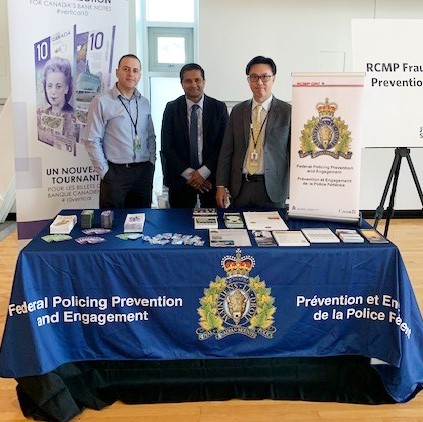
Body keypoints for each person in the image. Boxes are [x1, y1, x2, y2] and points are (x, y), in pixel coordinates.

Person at [215, 56, 291, 209]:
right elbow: (226, 151)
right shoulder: (238, 111)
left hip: (273, 189)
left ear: (273, 79)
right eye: (254, 77)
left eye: (265, 77)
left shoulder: (287, 112)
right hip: (241, 187)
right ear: (248, 80)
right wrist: (221, 185)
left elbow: (293, 153)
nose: (260, 82)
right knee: (239, 231)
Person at [84, 54, 156, 209]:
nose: (131, 74)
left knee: (141, 221)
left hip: (143, 172)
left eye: (135, 70)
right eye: (126, 69)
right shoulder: (101, 101)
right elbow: (92, 140)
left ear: (139, 76)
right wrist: (105, 173)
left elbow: (150, 136)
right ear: (117, 72)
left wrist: (151, 163)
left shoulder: (144, 102)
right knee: (112, 224)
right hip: (116, 173)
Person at [161, 63, 229, 208]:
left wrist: (203, 173)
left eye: (197, 80)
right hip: (181, 180)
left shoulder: (219, 108)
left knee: (212, 226)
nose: (193, 84)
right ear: (182, 84)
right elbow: (167, 147)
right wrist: (191, 175)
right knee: (180, 225)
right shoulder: (171, 108)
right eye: (188, 81)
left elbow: (223, 146)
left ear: (204, 82)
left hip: (210, 181)